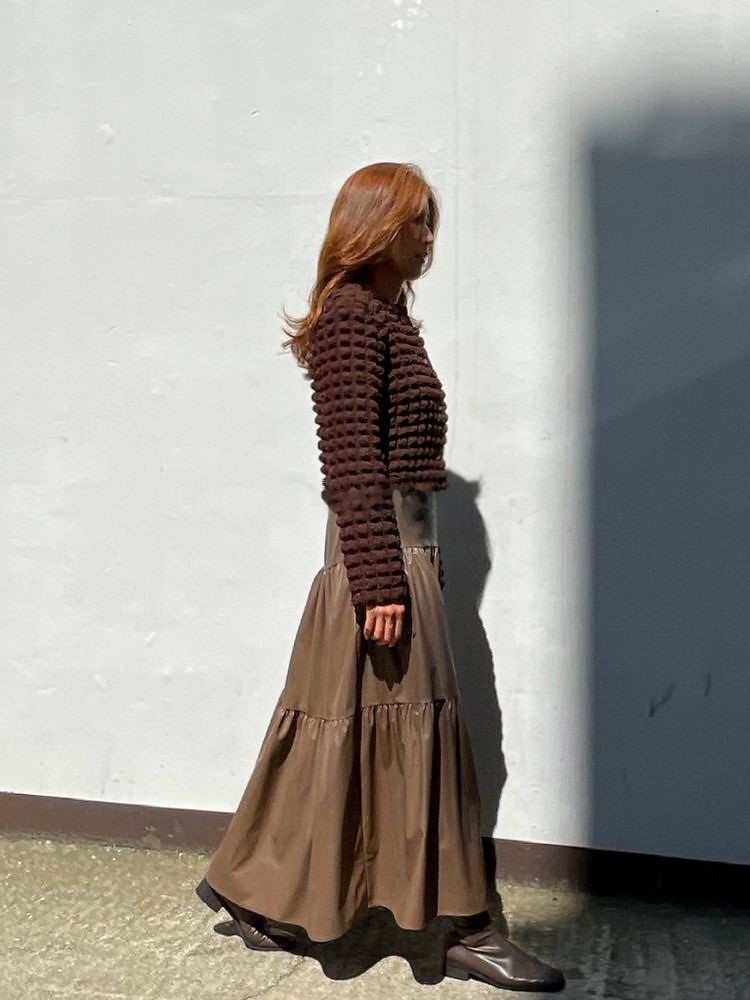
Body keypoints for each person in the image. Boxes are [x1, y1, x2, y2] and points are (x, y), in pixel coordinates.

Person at [195, 161, 565, 992]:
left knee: (347, 733)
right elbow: (352, 461)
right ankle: (465, 929)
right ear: (375, 226)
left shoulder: (389, 319)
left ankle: (254, 888)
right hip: (380, 557)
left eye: (432, 222)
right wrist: (380, 580)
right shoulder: (352, 319)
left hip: (403, 554)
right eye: (416, 222)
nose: (429, 238)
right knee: (408, 735)